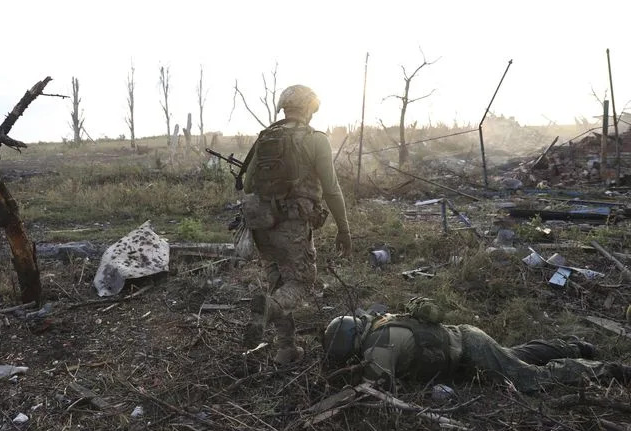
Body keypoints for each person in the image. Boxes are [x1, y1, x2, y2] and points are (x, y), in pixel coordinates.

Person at [240, 84, 351, 365]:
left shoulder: (266, 137)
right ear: (310, 109)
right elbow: (332, 189)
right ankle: (269, 309)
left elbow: (248, 183)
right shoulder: (315, 140)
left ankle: (286, 349)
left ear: (284, 108)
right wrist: (344, 228)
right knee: (301, 280)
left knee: (278, 279)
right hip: (293, 223)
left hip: (262, 224)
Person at [323, 299, 631, 393]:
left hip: (468, 349)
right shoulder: (381, 323)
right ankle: (577, 347)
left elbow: (375, 387)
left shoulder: (377, 346)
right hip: (465, 344)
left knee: (527, 379)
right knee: (517, 356)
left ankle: (612, 370)